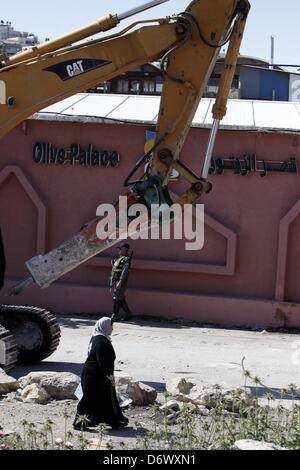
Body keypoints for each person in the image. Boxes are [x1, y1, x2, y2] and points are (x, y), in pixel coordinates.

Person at [73, 317, 128, 430]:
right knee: (89, 399)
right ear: (105, 326)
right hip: (95, 376)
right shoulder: (102, 341)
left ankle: (113, 421)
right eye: (111, 326)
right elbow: (103, 361)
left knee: (105, 398)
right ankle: (79, 422)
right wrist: (110, 376)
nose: (112, 329)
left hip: (95, 375)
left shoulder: (96, 338)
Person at [110, 243, 133, 323]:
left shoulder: (126, 259)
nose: (118, 250)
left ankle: (115, 315)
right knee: (120, 298)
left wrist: (120, 281)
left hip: (120, 281)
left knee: (116, 298)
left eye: (121, 249)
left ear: (125, 249)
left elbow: (124, 271)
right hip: (116, 280)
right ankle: (128, 314)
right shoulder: (120, 258)